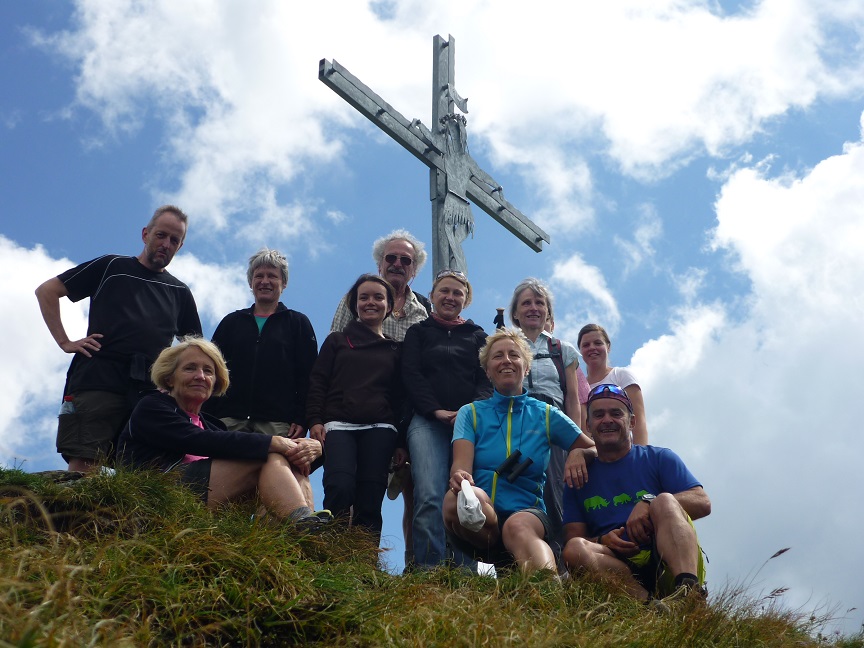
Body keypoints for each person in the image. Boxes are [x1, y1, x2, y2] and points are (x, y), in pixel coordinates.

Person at [35, 205, 202, 472]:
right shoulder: (112, 266)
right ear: (145, 234)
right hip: (98, 376)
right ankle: (71, 515)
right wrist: (65, 342)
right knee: (84, 462)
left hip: (149, 390)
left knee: (144, 474)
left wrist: (174, 386)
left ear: (180, 247)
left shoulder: (179, 291)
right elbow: (47, 290)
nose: (165, 244)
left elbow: (195, 349)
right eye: (161, 235)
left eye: (174, 240)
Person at [116, 337, 327, 526]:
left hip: (208, 498)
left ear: (216, 382)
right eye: (190, 368)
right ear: (170, 378)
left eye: (208, 371)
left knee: (297, 464)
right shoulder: (152, 406)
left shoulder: (213, 425)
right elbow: (197, 440)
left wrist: (314, 450)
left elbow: (227, 441)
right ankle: (300, 521)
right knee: (266, 454)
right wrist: (275, 442)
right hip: (156, 496)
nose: (200, 376)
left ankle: (296, 533)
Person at [443, 328, 596, 574]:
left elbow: (594, 449)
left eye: (514, 355)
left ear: (526, 368)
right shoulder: (469, 413)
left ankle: (547, 594)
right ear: (487, 370)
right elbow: (461, 465)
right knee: (454, 500)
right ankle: (507, 559)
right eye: (497, 356)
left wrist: (579, 452)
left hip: (527, 514)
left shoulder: (546, 413)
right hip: (484, 523)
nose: (506, 361)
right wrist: (461, 478)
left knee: (517, 526)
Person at [329, 229, 430, 567]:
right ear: (380, 262)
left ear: (414, 269)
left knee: (415, 490)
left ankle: (416, 566)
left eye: (406, 260)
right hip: (359, 407)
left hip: (405, 410)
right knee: (355, 483)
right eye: (391, 258)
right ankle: (346, 559)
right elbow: (334, 350)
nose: (398, 264)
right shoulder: (359, 298)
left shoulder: (425, 311)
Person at [562, 384, 710, 602]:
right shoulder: (578, 475)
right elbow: (574, 538)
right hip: (616, 565)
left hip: (665, 556)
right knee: (574, 549)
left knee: (665, 501)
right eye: (599, 415)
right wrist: (603, 539)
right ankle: (650, 608)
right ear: (589, 426)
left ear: (631, 422)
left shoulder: (659, 458)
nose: (607, 420)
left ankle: (688, 594)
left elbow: (702, 502)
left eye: (616, 413)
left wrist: (649, 502)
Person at [204, 249, 318, 503]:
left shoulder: (297, 323)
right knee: (225, 483)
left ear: (283, 283)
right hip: (228, 420)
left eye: (272, 276)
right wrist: (208, 415)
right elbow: (211, 370)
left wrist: (302, 417)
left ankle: (283, 535)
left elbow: (309, 376)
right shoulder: (231, 322)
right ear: (251, 282)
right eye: (259, 276)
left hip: (277, 421)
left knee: (277, 477)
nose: (265, 281)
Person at [402, 269, 491, 569]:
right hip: (427, 422)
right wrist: (436, 410)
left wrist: (469, 412)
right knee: (428, 494)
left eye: (457, 293)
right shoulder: (418, 332)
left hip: (469, 426)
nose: (450, 297)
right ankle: (429, 569)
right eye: (445, 291)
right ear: (433, 296)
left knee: (465, 493)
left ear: (466, 300)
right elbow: (411, 375)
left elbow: (485, 378)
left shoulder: (478, 335)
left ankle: (464, 573)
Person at [307, 274, 405, 543]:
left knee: (370, 499)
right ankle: (333, 554)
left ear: (389, 305)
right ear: (354, 304)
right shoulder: (337, 341)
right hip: (339, 426)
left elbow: (399, 398)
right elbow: (318, 381)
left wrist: (401, 441)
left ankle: (363, 567)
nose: (370, 302)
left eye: (378, 297)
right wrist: (315, 420)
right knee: (339, 487)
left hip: (381, 429)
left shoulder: (396, 350)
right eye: (364, 297)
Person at [509, 278, 583, 561]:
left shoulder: (562, 349)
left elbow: (573, 398)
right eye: (526, 303)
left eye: (539, 303)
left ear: (548, 313)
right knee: (517, 488)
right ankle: (523, 561)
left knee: (555, 491)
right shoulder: (508, 345)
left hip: (553, 425)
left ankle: (562, 562)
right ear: (515, 312)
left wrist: (574, 443)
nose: (533, 308)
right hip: (518, 423)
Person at [578, 324, 648, 445]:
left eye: (598, 343)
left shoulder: (621, 376)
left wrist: (640, 457)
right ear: (580, 351)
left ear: (608, 347)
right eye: (586, 345)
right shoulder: (578, 386)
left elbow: (639, 422)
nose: (592, 348)